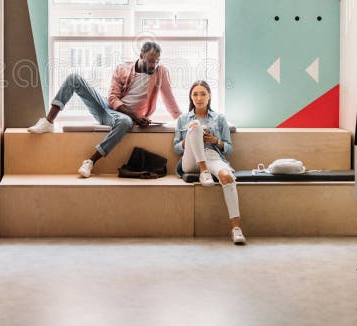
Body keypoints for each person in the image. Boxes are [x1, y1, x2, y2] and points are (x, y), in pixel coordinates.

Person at [28, 41, 182, 178]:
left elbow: (170, 100)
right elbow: (113, 98)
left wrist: (183, 121)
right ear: (141, 55)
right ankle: (48, 121)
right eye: (150, 61)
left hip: (123, 119)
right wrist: (135, 115)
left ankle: (90, 161)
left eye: (156, 62)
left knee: (124, 122)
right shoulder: (123, 69)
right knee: (74, 77)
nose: (153, 66)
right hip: (107, 109)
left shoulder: (161, 72)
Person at [173, 80, 246, 245]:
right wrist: (192, 135)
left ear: (210, 96)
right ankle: (203, 170)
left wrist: (214, 140)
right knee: (195, 126)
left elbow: (229, 148)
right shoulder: (183, 119)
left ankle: (236, 229)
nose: (199, 98)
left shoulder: (219, 118)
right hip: (190, 160)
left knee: (227, 176)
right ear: (191, 97)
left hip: (212, 155)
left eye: (203, 94)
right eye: (195, 94)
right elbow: (176, 148)